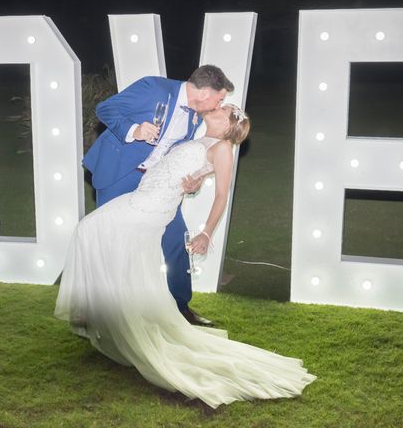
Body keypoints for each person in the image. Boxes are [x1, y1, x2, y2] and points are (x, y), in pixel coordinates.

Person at [56, 104, 316, 408]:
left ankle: (93, 312)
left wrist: (206, 232)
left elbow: (222, 194)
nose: (219, 107)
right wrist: (194, 183)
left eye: (226, 109)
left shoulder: (223, 149)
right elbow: (189, 172)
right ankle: (107, 315)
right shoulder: (203, 139)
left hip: (148, 209)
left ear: (230, 125)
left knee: (90, 231)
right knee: (114, 252)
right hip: (143, 200)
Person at [82, 65, 233, 326]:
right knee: (109, 240)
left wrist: (193, 181)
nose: (219, 104)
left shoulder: (197, 116)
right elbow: (105, 109)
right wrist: (134, 130)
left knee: (176, 240)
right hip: (118, 173)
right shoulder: (154, 87)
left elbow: (180, 155)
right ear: (206, 93)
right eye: (220, 98)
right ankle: (98, 311)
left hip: (157, 187)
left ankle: (180, 307)